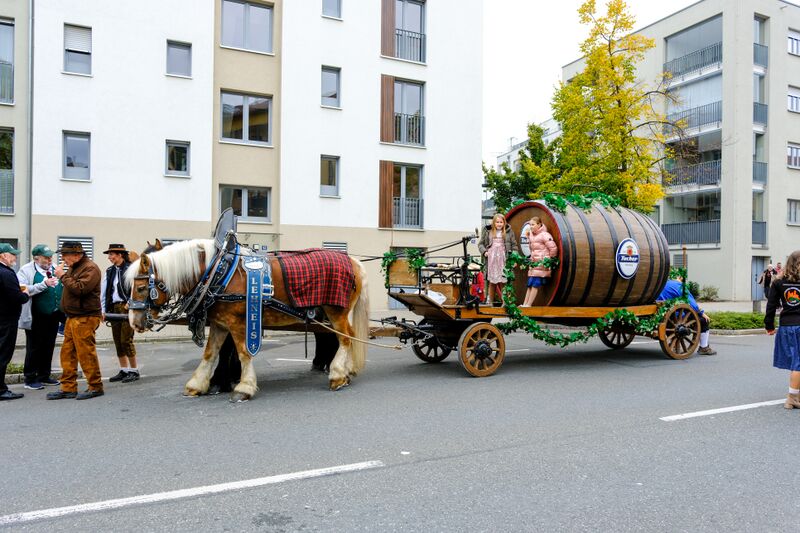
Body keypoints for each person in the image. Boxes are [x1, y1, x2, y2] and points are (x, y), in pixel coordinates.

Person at [47, 241, 104, 400]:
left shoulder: (91, 268)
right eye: (62, 254)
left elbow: (80, 289)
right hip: (73, 317)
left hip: (85, 317)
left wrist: (62, 276)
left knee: (86, 353)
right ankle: (68, 388)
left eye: (65, 255)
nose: (63, 258)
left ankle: (95, 386)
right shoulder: (75, 267)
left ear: (78, 255)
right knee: (67, 353)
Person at [17, 244, 63, 390]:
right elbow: (22, 289)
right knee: (34, 347)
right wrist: (43, 284)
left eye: (50, 257)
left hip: (53, 314)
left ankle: (44, 375)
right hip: (35, 315)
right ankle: (30, 378)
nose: (49, 260)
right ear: (36, 258)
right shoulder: (26, 270)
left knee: (49, 346)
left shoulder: (54, 267)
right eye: (46, 257)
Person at [765, 251, 800, 409]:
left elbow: (771, 306)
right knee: (798, 363)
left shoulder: (779, 282)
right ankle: (792, 397)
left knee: (795, 361)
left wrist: (769, 326)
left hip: (786, 325)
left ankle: (796, 395)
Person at [101, 244, 139, 383]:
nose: (109, 257)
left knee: (126, 340)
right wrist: (103, 310)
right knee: (117, 341)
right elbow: (105, 291)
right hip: (114, 308)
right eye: (109, 255)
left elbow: (137, 288)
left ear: (120, 255)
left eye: (112, 254)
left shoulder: (131, 268)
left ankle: (134, 370)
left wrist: (131, 302)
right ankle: (124, 370)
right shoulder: (110, 271)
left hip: (127, 307)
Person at [657, 276, 717, 355]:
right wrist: (702, 313)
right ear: (680, 278)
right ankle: (704, 347)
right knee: (703, 320)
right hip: (674, 318)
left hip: (657, 315)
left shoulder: (658, 285)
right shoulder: (679, 286)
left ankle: (674, 344)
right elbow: (691, 303)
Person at [0, 243, 29, 401]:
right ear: (3, 255)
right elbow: (16, 297)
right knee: (3, 354)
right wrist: (26, 294)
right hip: (6, 319)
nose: (15, 257)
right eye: (12, 254)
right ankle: (1, 389)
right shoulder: (6, 273)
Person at [479, 213, 520, 306]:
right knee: (492, 281)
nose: (499, 224)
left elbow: (514, 246)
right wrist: (485, 252)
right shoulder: (488, 231)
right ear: (494, 223)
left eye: (501, 222)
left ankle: (505, 302)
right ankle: (490, 302)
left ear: (504, 223)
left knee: (503, 280)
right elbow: (480, 244)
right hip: (492, 259)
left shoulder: (509, 232)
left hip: (503, 258)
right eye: (497, 222)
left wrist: (514, 259)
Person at [521, 216, 558, 307]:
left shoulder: (545, 235)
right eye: (530, 224)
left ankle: (529, 305)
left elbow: (553, 248)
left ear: (539, 224)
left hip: (541, 263)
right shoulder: (531, 235)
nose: (531, 226)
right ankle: (525, 304)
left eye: (533, 224)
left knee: (535, 284)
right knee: (530, 284)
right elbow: (532, 250)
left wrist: (549, 260)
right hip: (534, 263)